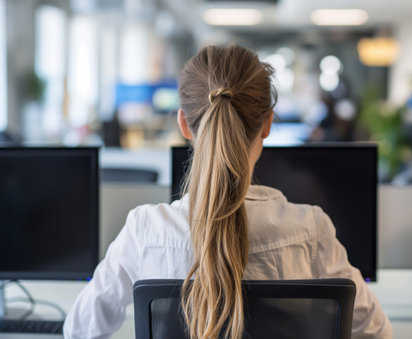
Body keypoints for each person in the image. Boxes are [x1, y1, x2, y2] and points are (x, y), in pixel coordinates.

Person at [64, 44, 392, 339]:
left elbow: (80, 331)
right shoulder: (310, 229)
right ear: (267, 123)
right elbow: (377, 332)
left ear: (183, 124)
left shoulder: (145, 230)